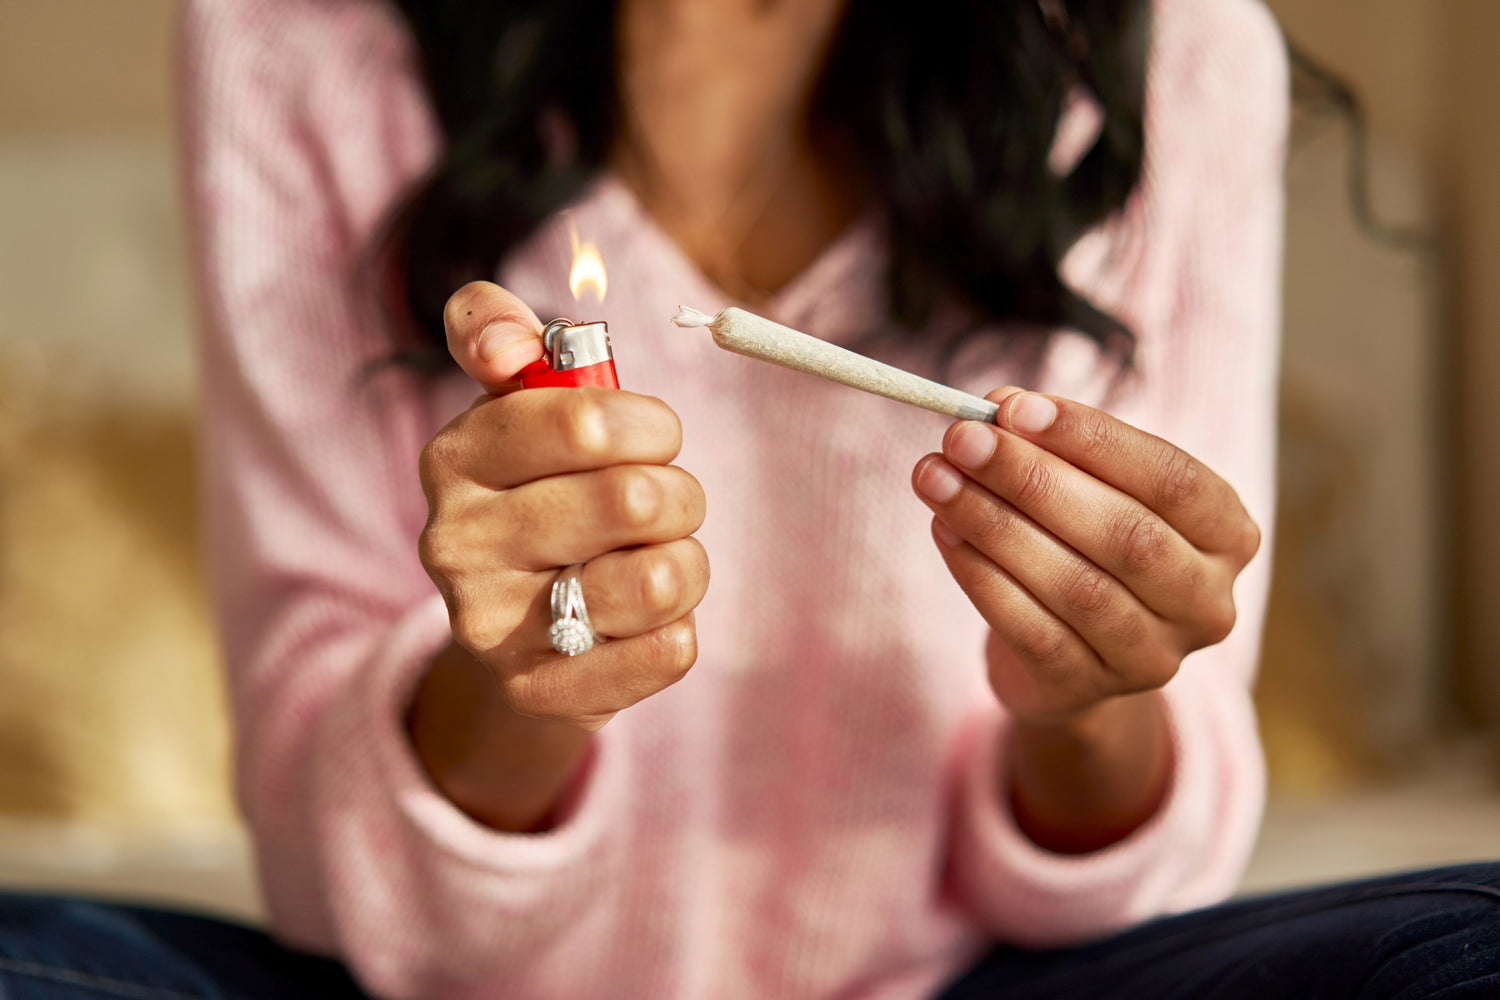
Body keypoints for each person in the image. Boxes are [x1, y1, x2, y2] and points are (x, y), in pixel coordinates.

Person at [1, 0, 1496, 998]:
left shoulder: (1163, 47)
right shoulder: (297, 33)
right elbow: (345, 891)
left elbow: (1136, 885)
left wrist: (1090, 694)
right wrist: (525, 686)